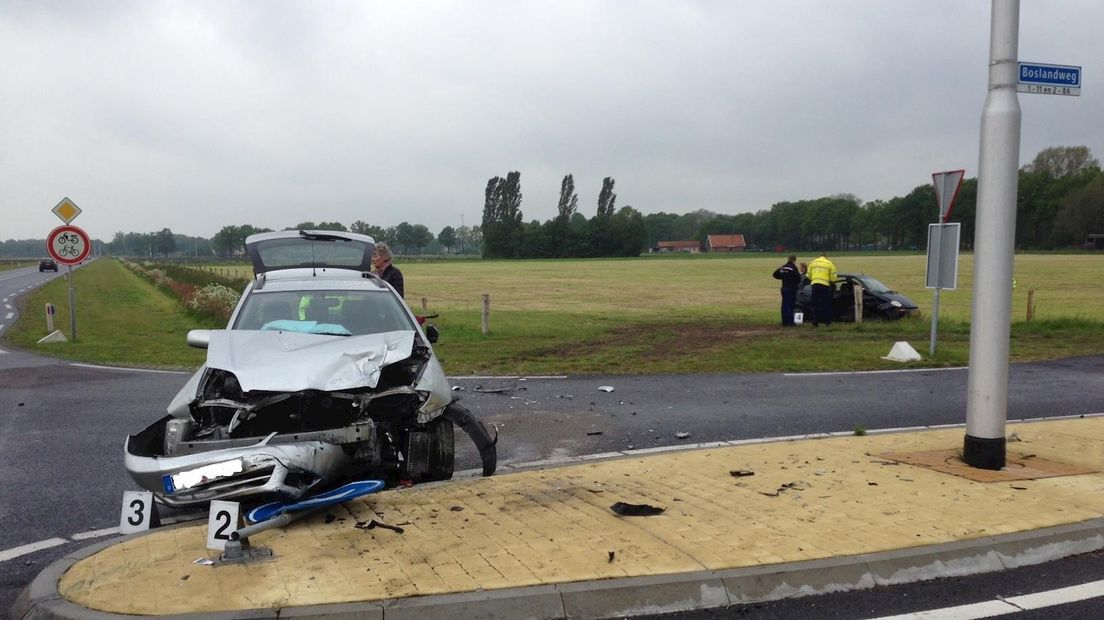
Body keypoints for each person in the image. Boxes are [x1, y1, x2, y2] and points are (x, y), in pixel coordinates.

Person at [806, 250, 837, 327]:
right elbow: (833, 278)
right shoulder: (829, 263)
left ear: (819, 256)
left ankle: (815, 321)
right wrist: (831, 282)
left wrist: (814, 278)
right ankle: (827, 321)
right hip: (824, 285)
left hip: (814, 285)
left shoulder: (812, 263)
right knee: (826, 304)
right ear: (826, 257)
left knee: (815, 304)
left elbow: (808, 275)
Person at [772, 255, 802, 327]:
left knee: (784, 305)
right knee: (791, 305)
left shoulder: (783, 267)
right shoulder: (793, 268)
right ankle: (790, 322)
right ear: (794, 260)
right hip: (791, 288)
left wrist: (782, 277)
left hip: (784, 287)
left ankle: (784, 322)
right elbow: (798, 278)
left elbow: (775, 274)